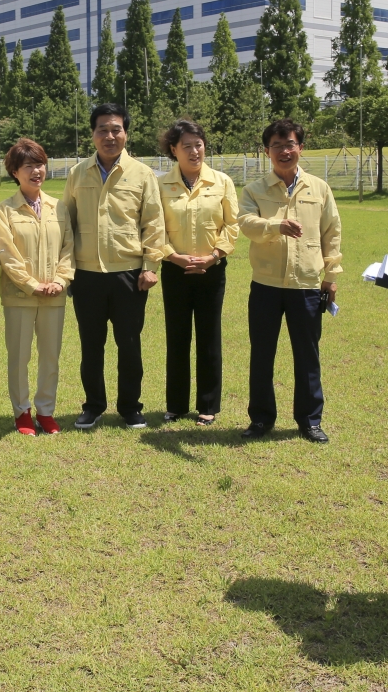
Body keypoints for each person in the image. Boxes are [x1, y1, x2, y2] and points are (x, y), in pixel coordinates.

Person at [60, 103, 169, 429]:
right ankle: (93, 406)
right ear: (92, 134)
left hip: (129, 275)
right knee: (91, 347)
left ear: (125, 133)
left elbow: (154, 223)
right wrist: (66, 270)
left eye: (116, 129)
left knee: (130, 345)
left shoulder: (142, 174)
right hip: (87, 275)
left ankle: (130, 407)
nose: (110, 136)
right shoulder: (77, 173)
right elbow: (66, 224)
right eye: (102, 130)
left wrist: (150, 265)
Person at [238, 118, 341, 443]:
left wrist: (331, 275)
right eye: (277, 146)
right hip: (266, 286)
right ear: (267, 151)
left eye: (290, 144)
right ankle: (261, 419)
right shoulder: (254, 190)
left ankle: (310, 420)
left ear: (301, 148)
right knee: (262, 354)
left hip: (307, 286)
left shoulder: (319, 189)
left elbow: (331, 232)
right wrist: (276, 226)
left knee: (308, 355)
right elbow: (246, 223)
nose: (285, 151)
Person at [156, 120, 239, 425]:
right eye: (187, 146)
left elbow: (232, 225)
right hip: (175, 270)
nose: (194, 151)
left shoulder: (222, 182)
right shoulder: (161, 185)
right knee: (177, 337)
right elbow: (154, 228)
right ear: (173, 150)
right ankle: (176, 405)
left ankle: (208, 404)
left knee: (208, 336)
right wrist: (173, 256)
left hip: (211, 270)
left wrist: (214, 256)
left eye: (199, 144)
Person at [0, 138, 75, 436]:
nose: (36, 171)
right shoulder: (4, 210)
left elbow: (68, 249)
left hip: (54, 295)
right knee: (19, 357)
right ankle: (22, 412)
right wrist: (31, 285)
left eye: (39, 164)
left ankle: (46, 411)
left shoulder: (59, 207)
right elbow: (6, 254)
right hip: (19, 297)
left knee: (50, 356)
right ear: (15, 172)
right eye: (28, 166)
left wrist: (60, 281)